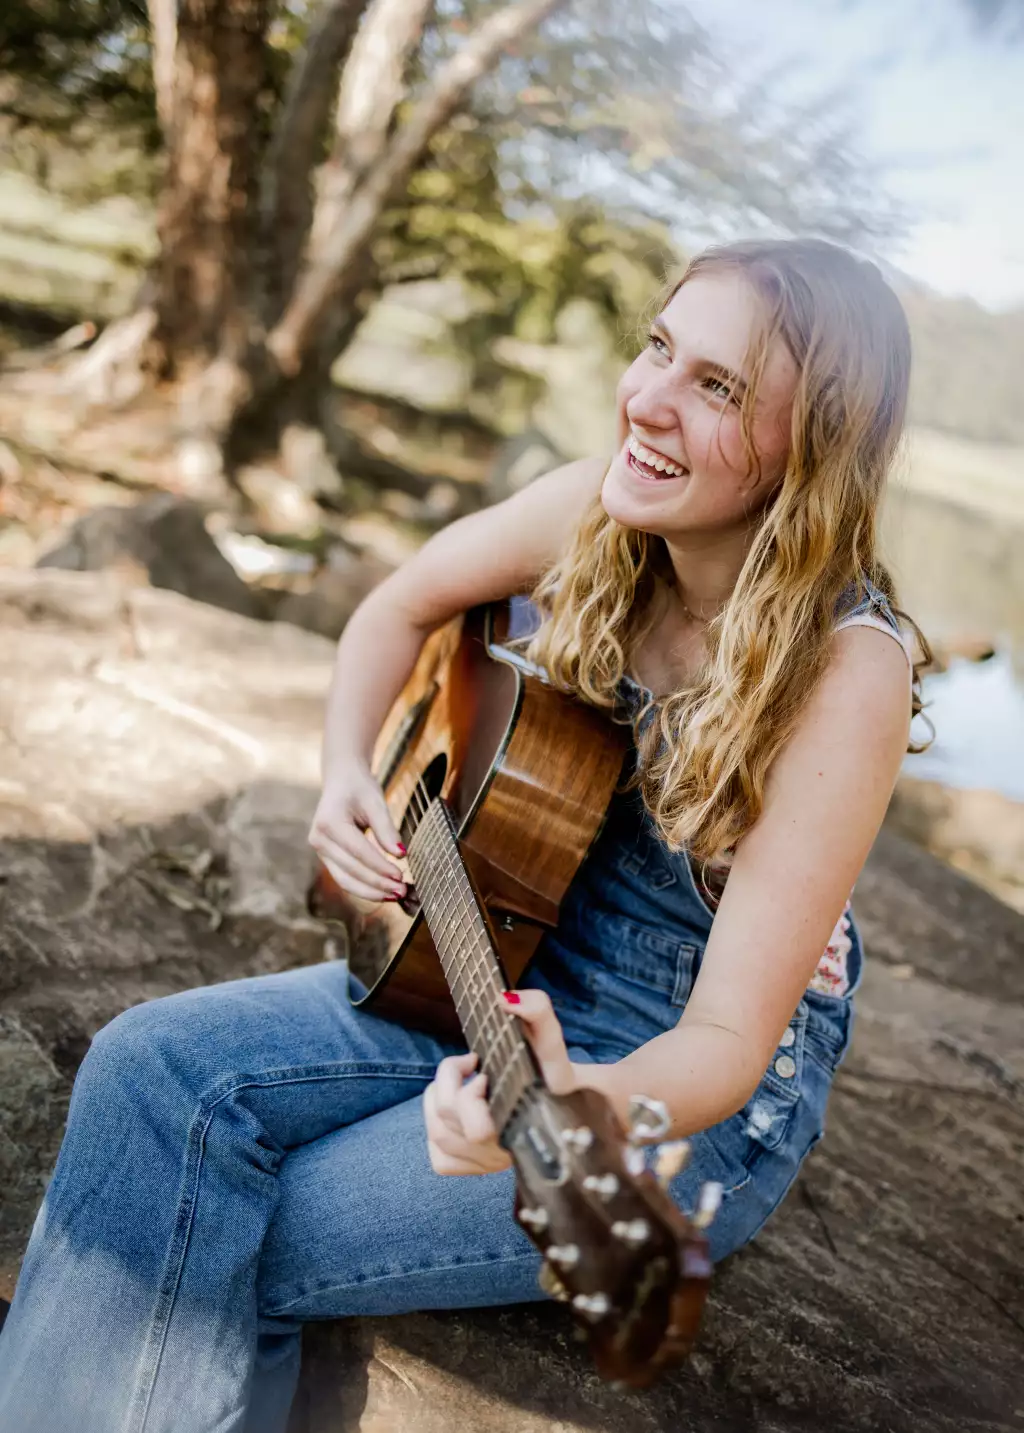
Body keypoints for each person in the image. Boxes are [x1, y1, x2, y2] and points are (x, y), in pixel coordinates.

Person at [0, 237, 927, 1432]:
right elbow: (400, 602)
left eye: (718, 387)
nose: (647, 399)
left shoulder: (848, 668)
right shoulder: (602, 506)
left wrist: (572, 1108)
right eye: (658, 347)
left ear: (815, 442)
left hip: (675, 1076)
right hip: (493, 938)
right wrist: (344, 772)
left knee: (200, 1212)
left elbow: (726, 1040)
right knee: (145, 1066)